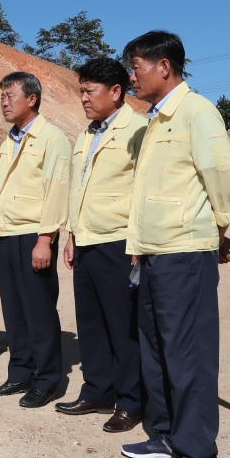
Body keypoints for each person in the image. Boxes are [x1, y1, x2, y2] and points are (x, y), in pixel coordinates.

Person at [119, 30, 230, 458]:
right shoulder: (153, 121)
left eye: (137, 67)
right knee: (155, 350)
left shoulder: (197, 112)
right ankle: (167, 434)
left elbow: (224, 179)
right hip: (153, 253)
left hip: (185, 254)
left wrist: (220, 233)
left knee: (188, 357)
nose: (132, 75)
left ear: (163, 67)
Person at [58, 58, 148, 432]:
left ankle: (130, 401)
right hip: (87, 240)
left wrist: (140, 242)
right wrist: (71, 233)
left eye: (89, 90)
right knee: (91, 322)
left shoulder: (138, 129)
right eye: (80, 90)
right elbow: (80, 189)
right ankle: (97, 390)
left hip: (119, 242)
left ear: (115, 92)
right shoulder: (86, 134)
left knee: (123, 325)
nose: (83, 98)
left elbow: (144, 189)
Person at [0, 72, 71, 408]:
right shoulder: (10, 140)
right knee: (14, 310)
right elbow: (3, 191)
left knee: (39, 311)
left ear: (31, 99)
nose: (4, 102)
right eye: (2, 96)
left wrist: (45, 239)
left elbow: (56, 191)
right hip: (8, 234)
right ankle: (20, 372)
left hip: (34, 235)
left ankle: (48, 379)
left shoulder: (51, 138)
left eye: (10, 95)